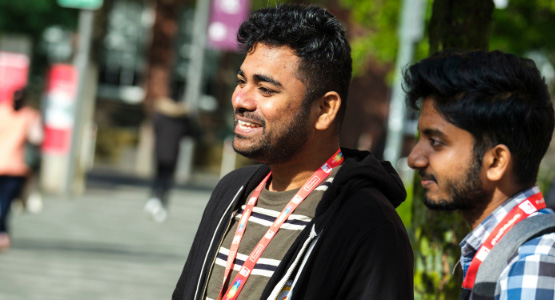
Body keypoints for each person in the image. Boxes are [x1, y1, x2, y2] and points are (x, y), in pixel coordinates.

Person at [172, 4, 413, 300]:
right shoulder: (231, 191)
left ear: (324, 109)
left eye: (266, 90)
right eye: (241, 81)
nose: (241, 100)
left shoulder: (368, 223)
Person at [404, 50, 555, 299]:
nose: (414, 159)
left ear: (496, 162)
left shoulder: (533, 262)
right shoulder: (510, 253)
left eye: (436, 142)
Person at [0, 89, 43, 251]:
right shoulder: (30, 115)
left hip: (8, 166)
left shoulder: (2, 112)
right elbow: (37, 138)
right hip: (15, 166)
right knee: (5, 201)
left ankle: (3, 232)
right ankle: (3, 233)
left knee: (3, 202)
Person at [144, 96, 191, 222]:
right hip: (173, 153)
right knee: (167, 179)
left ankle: (153, 199)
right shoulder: (182, 120)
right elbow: (190, 132)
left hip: (159, 151)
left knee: (158, 176)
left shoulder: (160, 116)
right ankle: (162, 203)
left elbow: (154, 127)